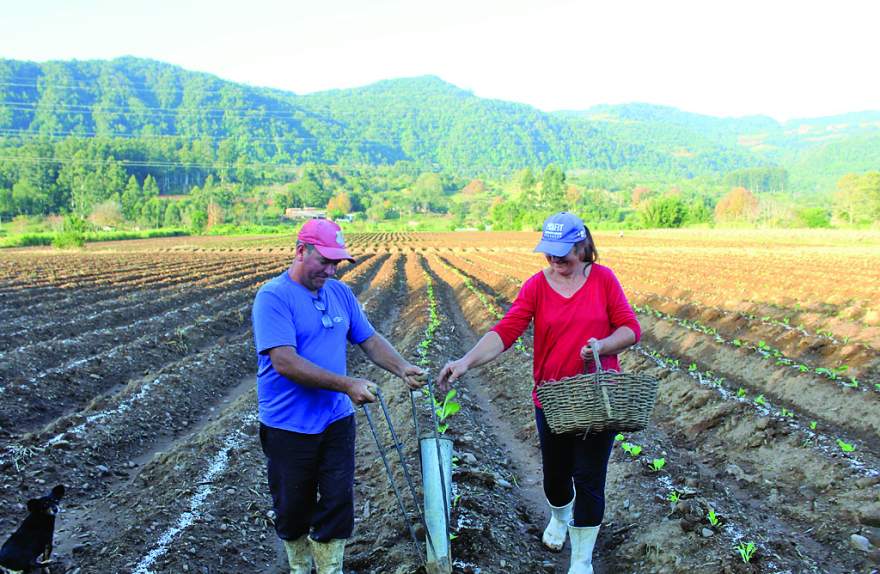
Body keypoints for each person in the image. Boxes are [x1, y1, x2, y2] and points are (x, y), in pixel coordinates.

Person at [437, 212, 640, 574]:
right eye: (550, 253)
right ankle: (560, 516)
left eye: (564, 253)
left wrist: (603, 345)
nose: (556, 260)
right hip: (552, 399)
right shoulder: (536, 286)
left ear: (583, 246)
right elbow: (506, 330)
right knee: (556, 477)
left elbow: (630, 328)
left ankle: (581, 560)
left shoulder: (604, 280)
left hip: (598, 396)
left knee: (590, 479)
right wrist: (466, 361)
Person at [252, 218, 426, 574]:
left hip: (335, 420)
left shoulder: (340, 294)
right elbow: (285, 362)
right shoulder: (273, 297)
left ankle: (330, 569)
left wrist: (402, 367)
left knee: (337, 501)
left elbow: (370, 340)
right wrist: (347, 384)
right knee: (293, 506)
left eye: (336, 263)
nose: (331, 270)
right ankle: (300, 567)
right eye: (325, 261)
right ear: (301, 251)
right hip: (289, 425)